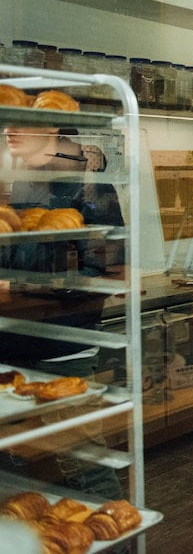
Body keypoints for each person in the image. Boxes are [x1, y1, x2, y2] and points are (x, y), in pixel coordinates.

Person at [0, 123, 124, 500]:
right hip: (8, 350)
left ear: (50, 128)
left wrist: (17, 287)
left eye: (21, 122)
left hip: (63, 350)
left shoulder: (88, 187)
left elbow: (100, 273)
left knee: (82, 462)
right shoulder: (14, 184)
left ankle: (119, 538)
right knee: (9, 464)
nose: (10, 131)